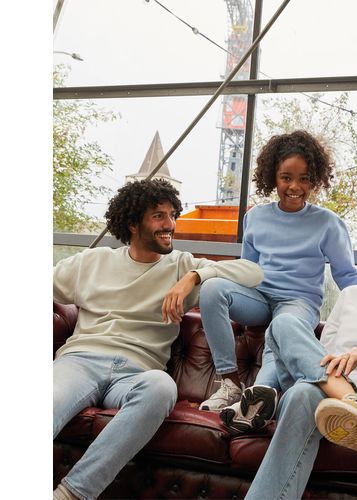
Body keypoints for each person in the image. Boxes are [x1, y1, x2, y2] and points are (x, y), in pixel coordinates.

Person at [52, 179, 263, 500]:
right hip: (81, 362)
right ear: (133, 223)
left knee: (162, 387)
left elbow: (253, 273)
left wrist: (194, 276)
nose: (170, 224)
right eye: (159, 216)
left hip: (138, 373)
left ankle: (71, 494)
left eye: (172, 215)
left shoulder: (181, 265)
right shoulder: (92, 262)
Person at [223, 211, 357, 500]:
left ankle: (353, 404)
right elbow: (323, 353)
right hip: (330, 389)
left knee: (304, 393)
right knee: (284, 322)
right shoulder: (353, 295)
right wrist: (334, 382)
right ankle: (347, 397)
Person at [198, 130, 357, 412]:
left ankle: (255, 402)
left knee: (281, 327)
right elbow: (246, 270)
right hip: (259, 300)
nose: (294, 186)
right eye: (286, 177)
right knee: (212, 288)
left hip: (299, 303)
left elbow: (347, 275)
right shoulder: (255, 217)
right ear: (272, 177)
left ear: (315, 179)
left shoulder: (328, 223)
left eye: (304, 178)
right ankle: (230, 384)